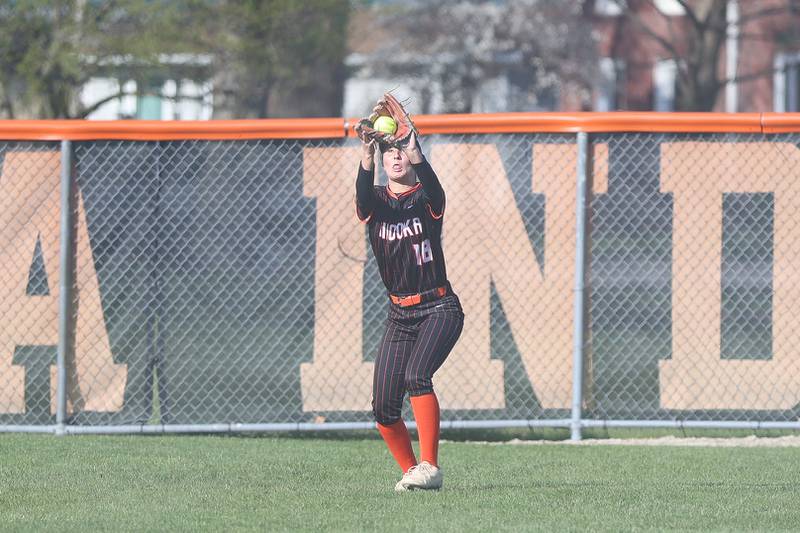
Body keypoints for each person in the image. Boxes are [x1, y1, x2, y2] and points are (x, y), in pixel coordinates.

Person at [354, 95, 465, 492]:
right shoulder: (377, 204)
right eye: (391, 153)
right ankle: (411, 470)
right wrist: (367, 155)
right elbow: (362, 199)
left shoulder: (425, 199)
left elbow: (435, 191)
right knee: (383, 407)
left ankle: (431, 466)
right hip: (400, 315)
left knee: (418, 375)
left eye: (400, 151)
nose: (396, 157)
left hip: (439, 307)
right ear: (383, 164)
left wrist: (415, 149)